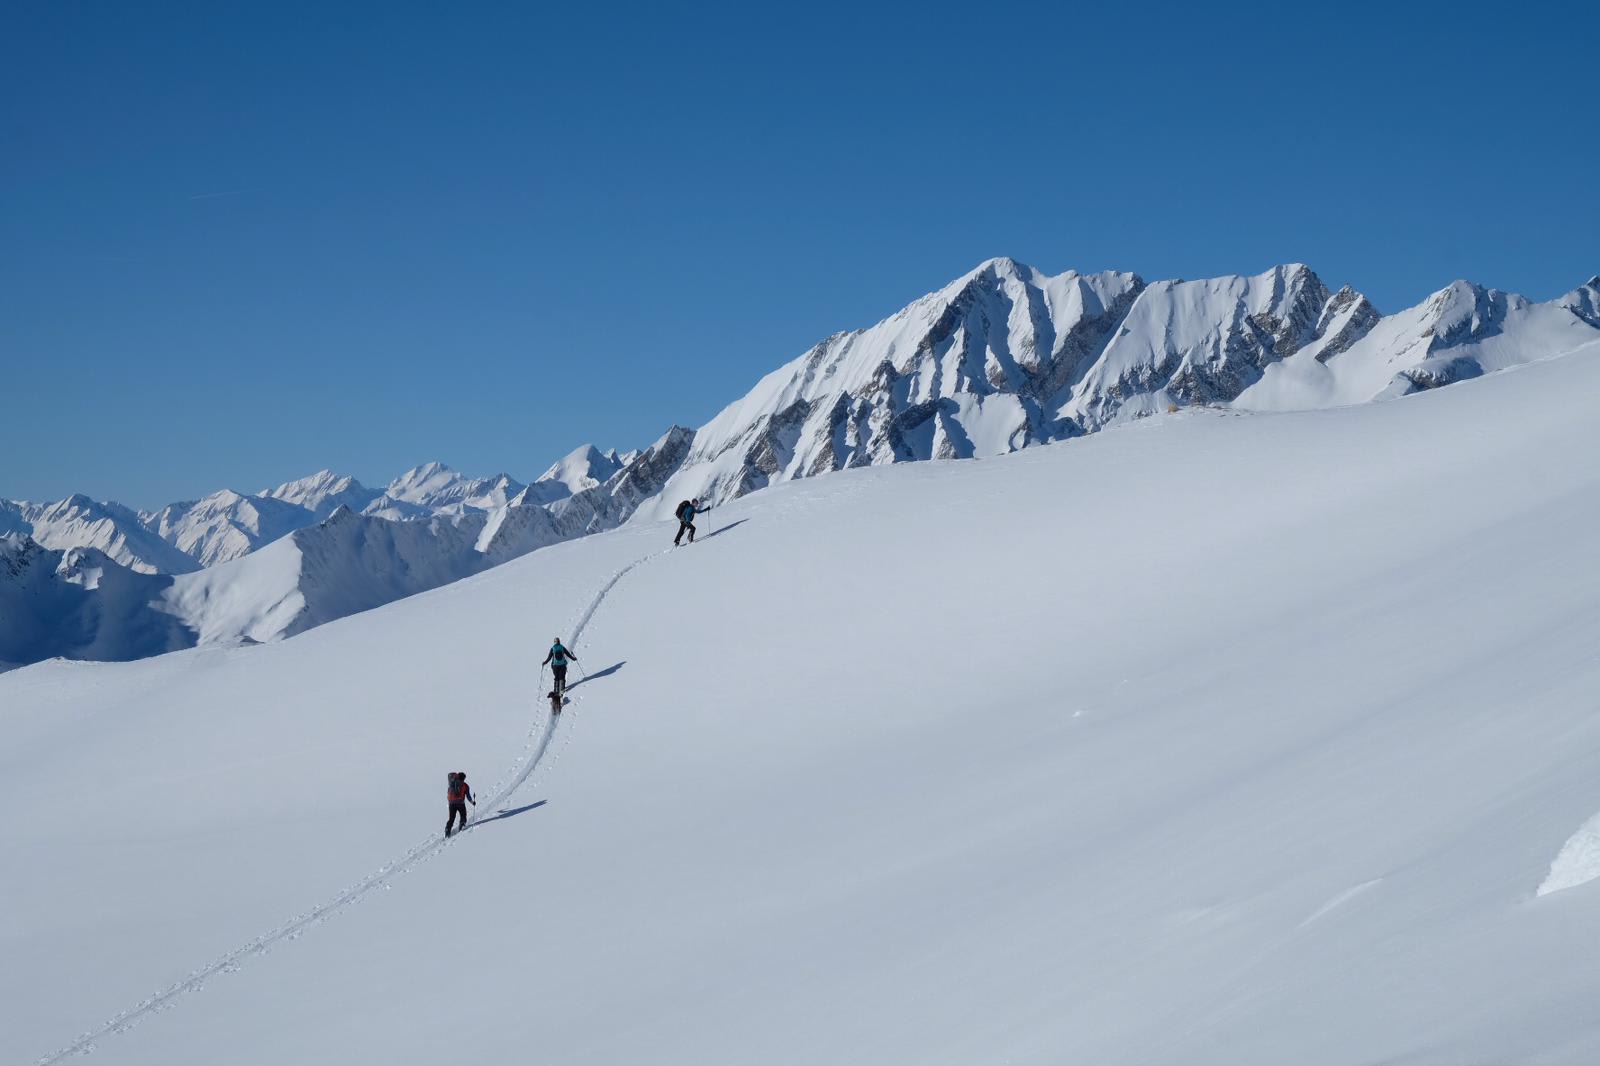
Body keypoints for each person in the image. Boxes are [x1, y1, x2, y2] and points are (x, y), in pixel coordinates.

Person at [445, 771, 476, 837]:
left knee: (451, 818)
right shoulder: (465, 786)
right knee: (463, 816)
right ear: (464, 778)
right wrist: (472, 802)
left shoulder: (452, 783)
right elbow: (468, 796)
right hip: (460, 803)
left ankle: (447, 831)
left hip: (451, 803)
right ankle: (461, 827)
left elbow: (448, 792)